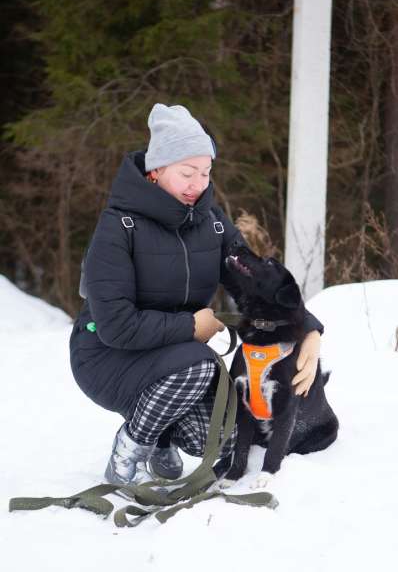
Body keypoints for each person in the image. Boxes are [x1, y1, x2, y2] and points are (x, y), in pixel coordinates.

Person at [69, 103, 324, 486]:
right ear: (156, 171)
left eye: (205, 172)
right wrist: (192, 325)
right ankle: (132, 445)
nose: (198, 183)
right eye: (187, 173)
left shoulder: (213, 223)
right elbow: (116, 327)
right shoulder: (117, 229)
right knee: (200, 364)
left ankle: (161, 435)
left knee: (226, 436)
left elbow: (258, 280)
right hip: (108, 356)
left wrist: (308, 328)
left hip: (175, 356)